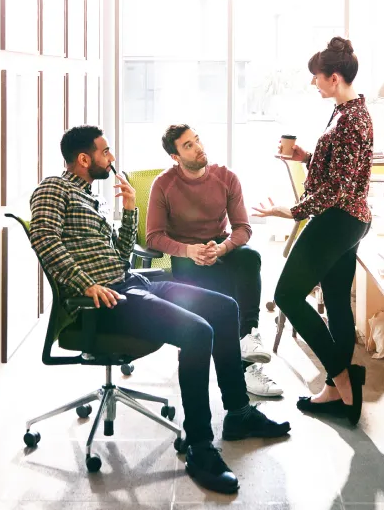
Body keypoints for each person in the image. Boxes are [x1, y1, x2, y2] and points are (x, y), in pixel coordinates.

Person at [29, 125, 290, 495]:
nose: (112, 158)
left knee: (224, 307)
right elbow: (43, 236)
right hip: (105, 300)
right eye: (105, 152)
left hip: (130, 281)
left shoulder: (89, 198)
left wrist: (130, 211)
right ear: (84, 159)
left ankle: (238, 412)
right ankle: (200, 447)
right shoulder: (53, 189)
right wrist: (84, 284)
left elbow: (119, 257)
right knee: (198, 332)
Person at [252, 37, 373, 427]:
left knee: (286, 294)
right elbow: (341, 166)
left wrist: (290, 211)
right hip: (347, 219)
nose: (313, 84)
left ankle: (343, 380)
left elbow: (338, 188)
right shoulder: (347, 111)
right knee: (336, 300)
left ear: (334, 78)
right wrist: (309, 156)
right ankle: (337, 393)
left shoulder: (352, 119)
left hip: (338, 219)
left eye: (316, 78)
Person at [145, 124, 283, 398]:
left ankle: (247, 342)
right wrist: (188, 251)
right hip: (186, 254)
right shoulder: (163, 185)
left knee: (249, 257)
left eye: (197, 140)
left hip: (219, 246)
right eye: (188, 145)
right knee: (212, 286)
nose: (198, 148)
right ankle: (223, 363)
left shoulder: (226, 177)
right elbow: (154, 237)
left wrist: (223, 248)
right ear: (175, 157)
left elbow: (243, 228)